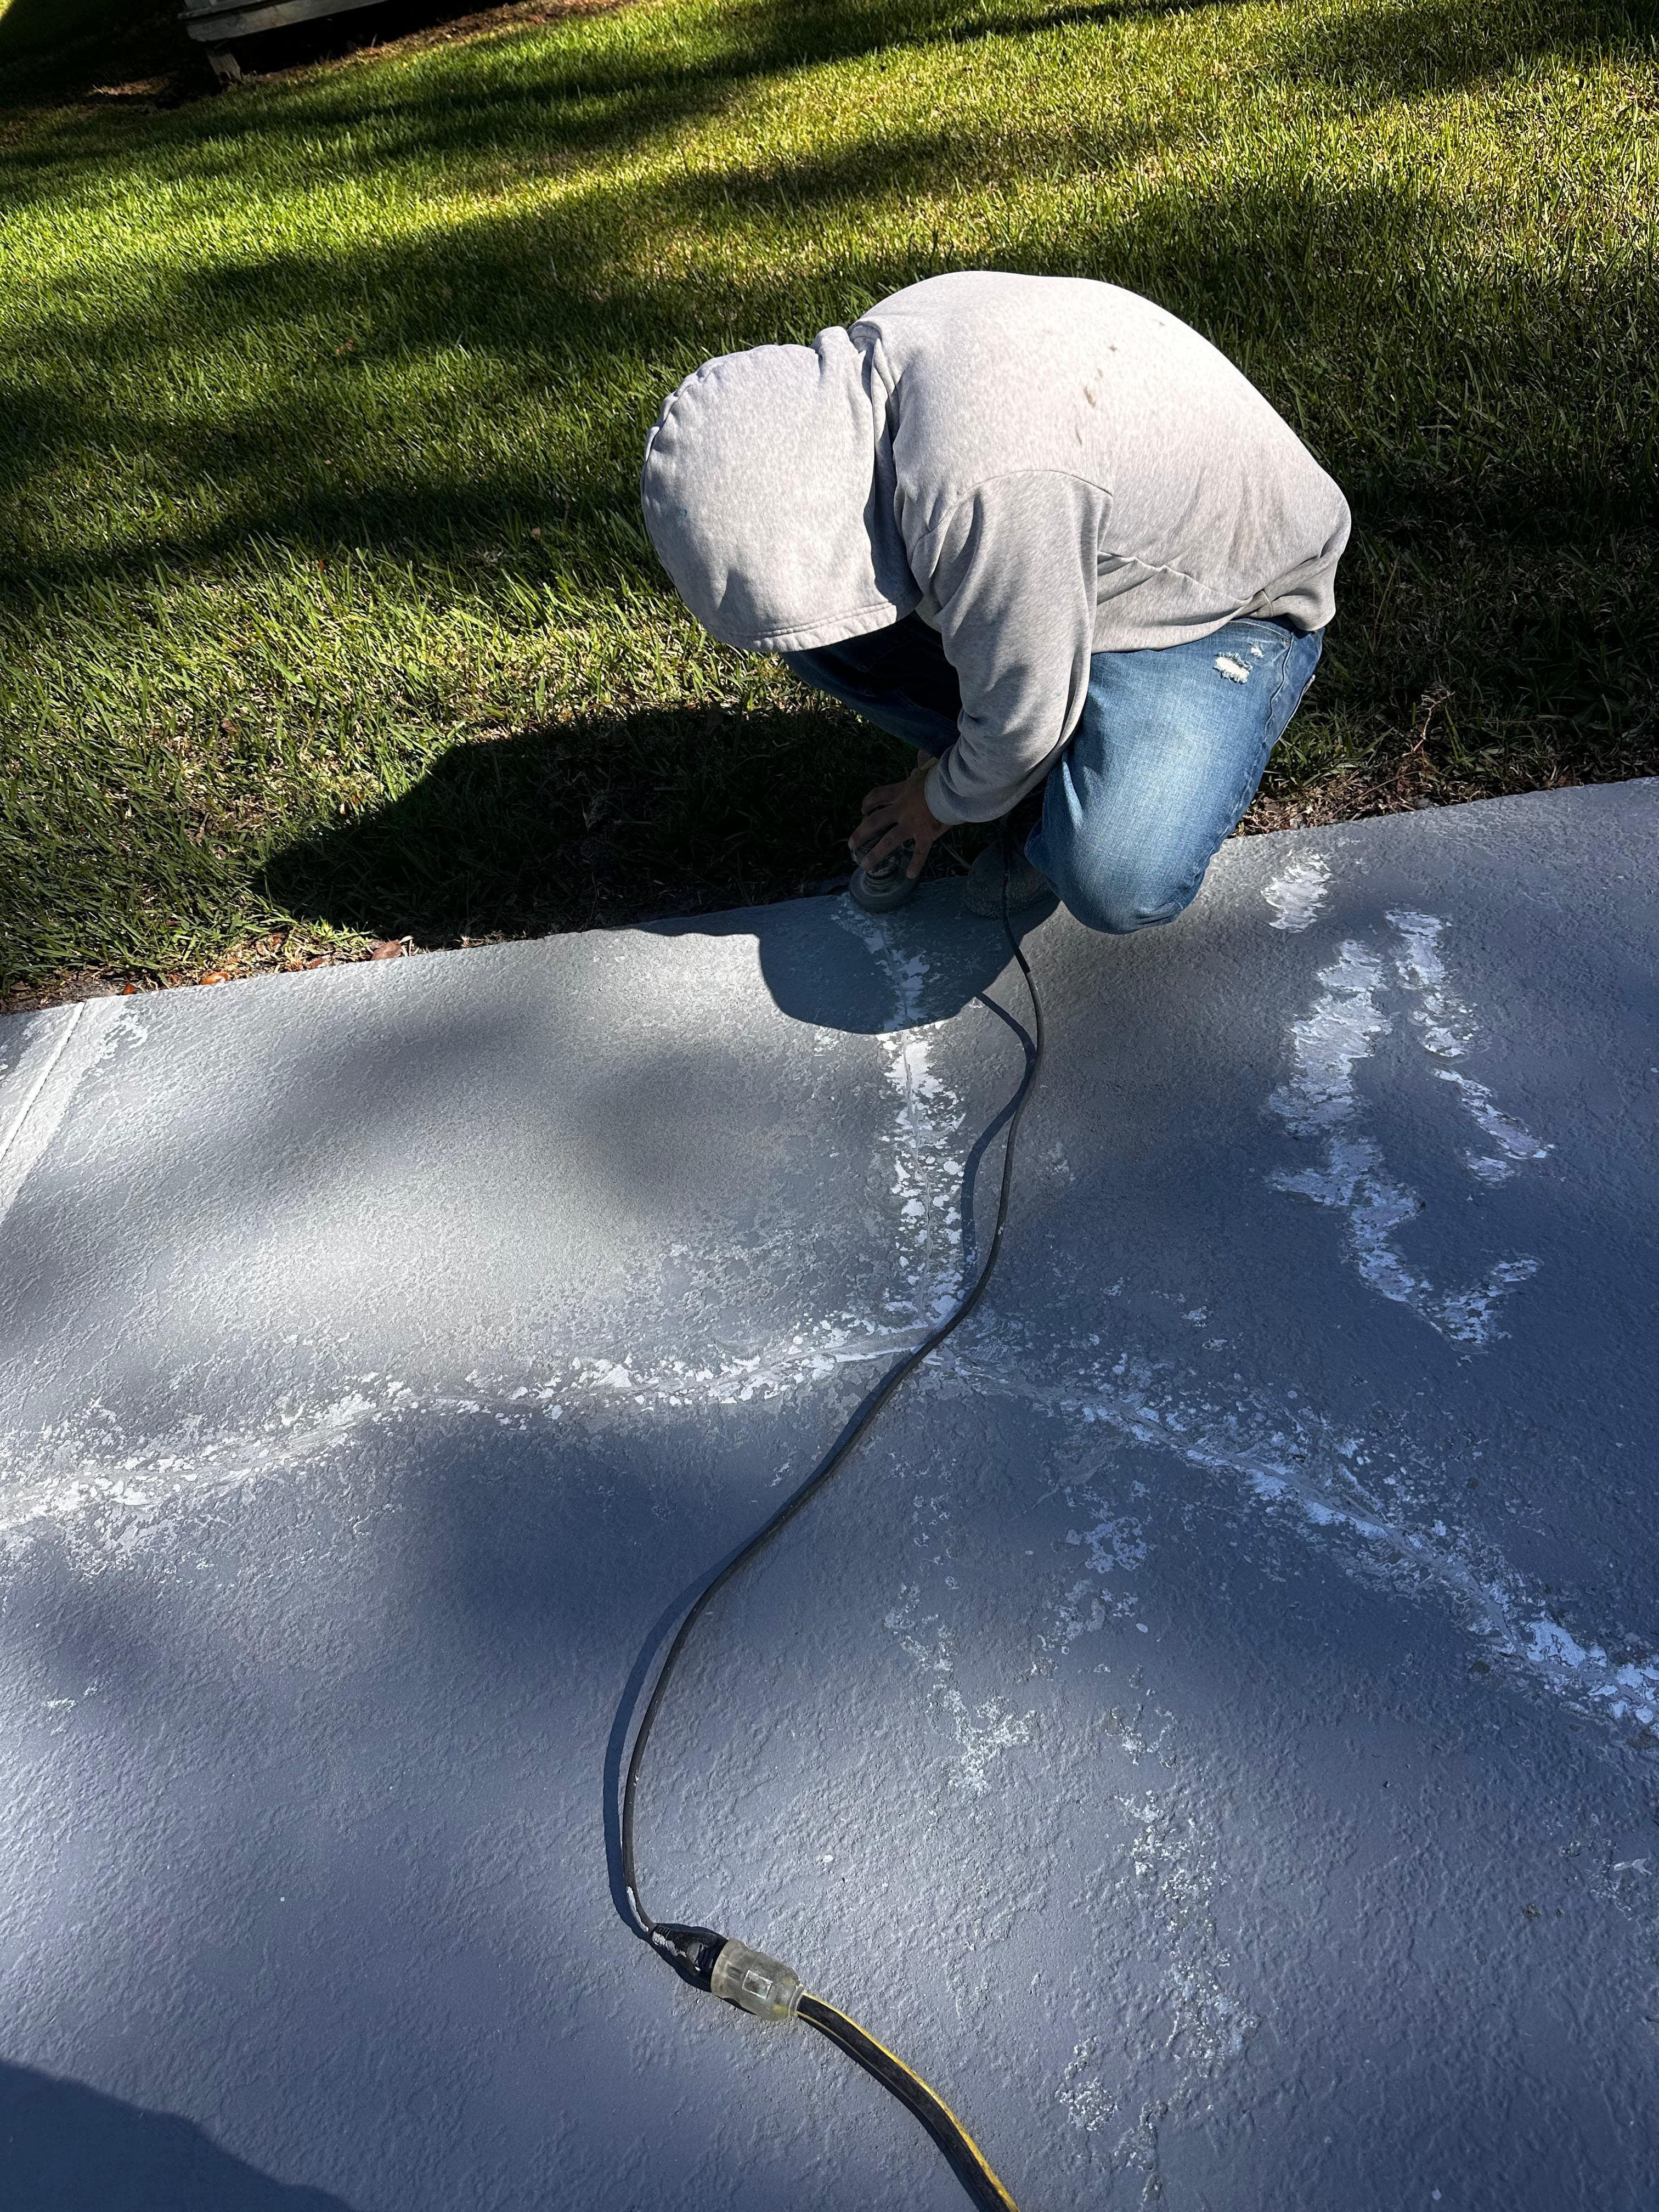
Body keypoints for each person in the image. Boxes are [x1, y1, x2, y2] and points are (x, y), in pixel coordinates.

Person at [639, 270, 1348, 923]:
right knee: (830, 646)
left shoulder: (980, 489)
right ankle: (1026, 766)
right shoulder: (868, 386)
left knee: (1118, 875)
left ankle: (1039, 808)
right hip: (1066, 545)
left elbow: (1021, 721)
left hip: (1224, 598)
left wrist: (936, 800)